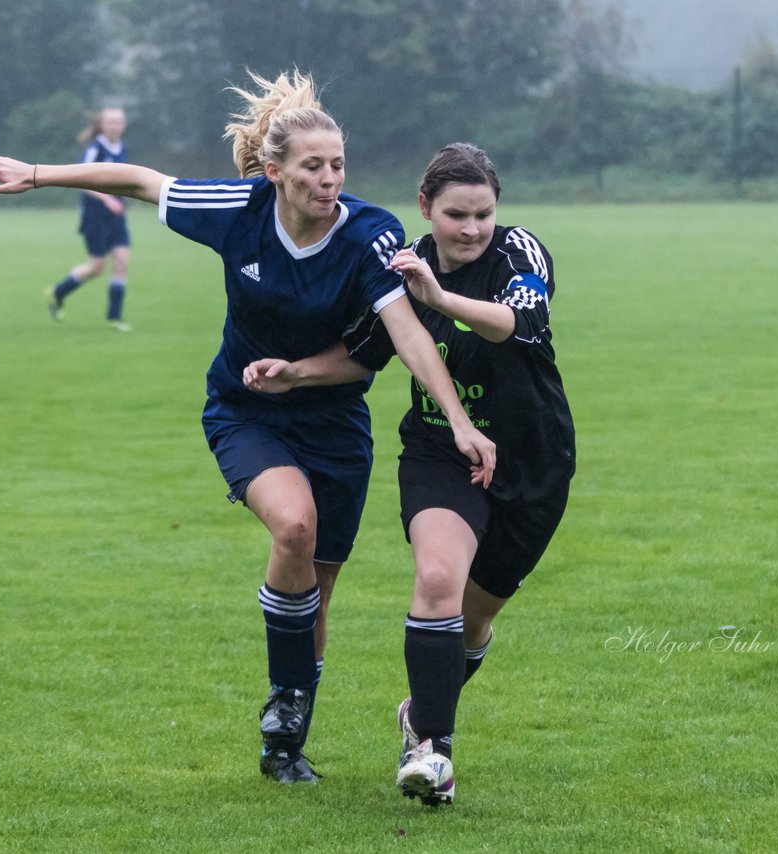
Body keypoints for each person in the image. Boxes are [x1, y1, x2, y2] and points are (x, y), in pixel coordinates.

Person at [0, 72, 496, 785]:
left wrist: (457, 420)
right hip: (245, 412)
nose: (329, 179)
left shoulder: (370, 233)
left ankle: (288, 734)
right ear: (274, 172)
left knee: (319, 593)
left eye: (337, 165)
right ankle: (284, 704)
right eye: (312, 166)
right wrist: (36, 174)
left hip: (335, 424)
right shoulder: (237, 210)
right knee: (294, 528)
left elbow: (407, 335)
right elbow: (143, 182)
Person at [243, 142, 575, 805]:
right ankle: (434, 753)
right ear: (427, 208)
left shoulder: (520, 253)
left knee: (473, 627)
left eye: (483, 213)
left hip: (533, 462)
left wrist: (441, 297)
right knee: (436, 579)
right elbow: (364, 354)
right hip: (440, 454)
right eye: (457, 214)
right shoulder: (397, 267)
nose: (472, 228)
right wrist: (297, 372)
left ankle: (418, 714)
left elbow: (523, 321)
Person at [45, 107, 135, 331]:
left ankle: (114, 318)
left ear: (123, 125)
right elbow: (82, 180)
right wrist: (108, 200)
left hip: (116, 217)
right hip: (96, 217)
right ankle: (57, 292)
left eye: (118, 122)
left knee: (122, 260)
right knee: (97, 267)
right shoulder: (96, 149)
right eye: (110, 122)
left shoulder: (122, 147)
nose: (115, 125)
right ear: (102, 125)